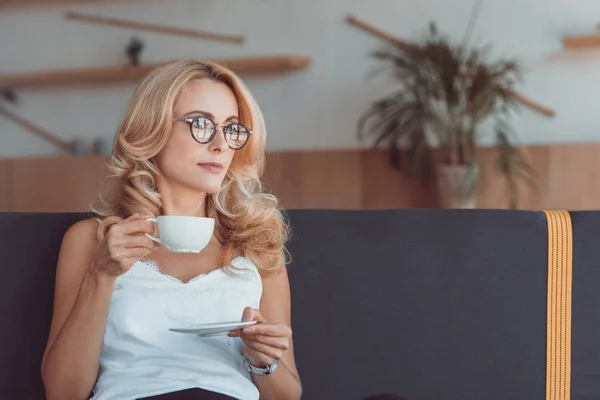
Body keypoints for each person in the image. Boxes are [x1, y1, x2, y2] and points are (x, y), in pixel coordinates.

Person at [41, 59, 301, 400]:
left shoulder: (257, 243)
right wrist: (100, 275)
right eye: (201, 124)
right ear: (153, 128)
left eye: (232, 128)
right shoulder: (93, 240)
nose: (221, 144)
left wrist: (263, 361)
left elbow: (288, 394)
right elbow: (63, 393)